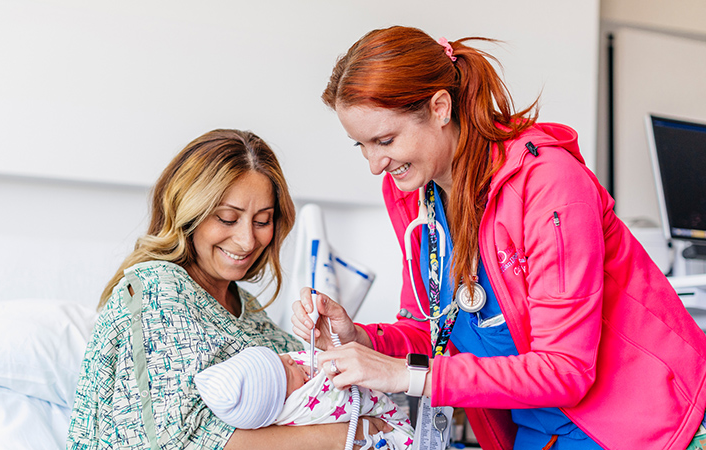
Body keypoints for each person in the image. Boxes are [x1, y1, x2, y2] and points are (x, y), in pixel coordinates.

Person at [291, 26, 706, 450]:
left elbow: (564, 369)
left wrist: (405, 375)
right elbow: (431, 330)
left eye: (385, 140)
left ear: (439, 107)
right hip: (540, 431)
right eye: (360, 145)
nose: (375, 164)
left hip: (646, 428)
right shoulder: (414, 196)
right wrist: (361, 340)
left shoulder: (548, 184)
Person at [67, 129, 389, 450]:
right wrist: (352, 434)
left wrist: (329, 347)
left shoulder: (247, 311)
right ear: (189, 213)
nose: (247, 241)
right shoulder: (154, 291)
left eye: (262, 221)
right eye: (227, 218)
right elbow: (179, 441)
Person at [194, 346, 415, 449]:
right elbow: (338, 395)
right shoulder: (304, 404)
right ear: (283, 401)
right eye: (286, 371)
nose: (291, 360)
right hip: (389, 429)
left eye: (280, 357)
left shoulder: (293, 378)